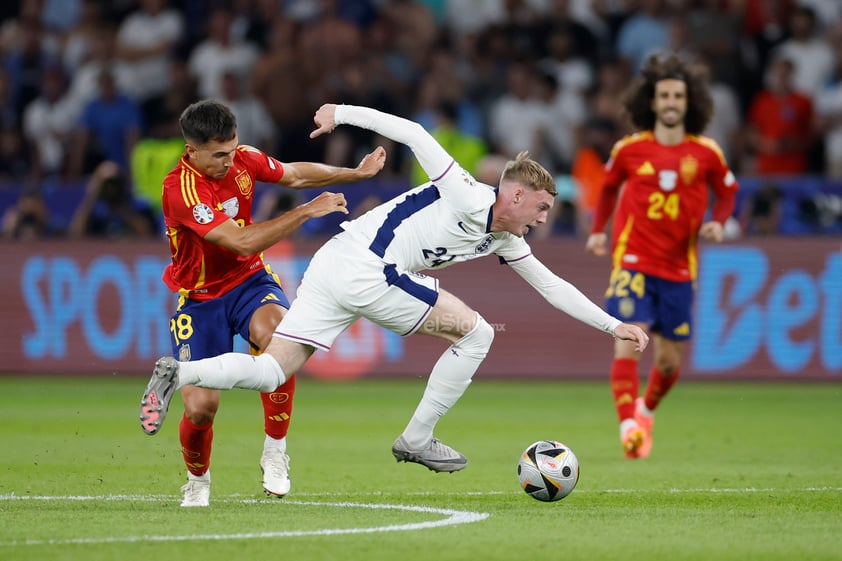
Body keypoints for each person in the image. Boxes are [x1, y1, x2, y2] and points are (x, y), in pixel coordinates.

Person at [139, 102, 650, 484]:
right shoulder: (466, 192)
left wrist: (613, 325)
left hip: (333, 264)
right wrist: (340, 112)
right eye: (539, 209)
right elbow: (412, 131)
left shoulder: (504, 236)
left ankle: (179, 372)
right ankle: (416, 439)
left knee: (273, 370)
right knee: (474, 334)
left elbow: (552, 286)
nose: (543, 220)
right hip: (366, 270)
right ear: (514, 195)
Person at [141, 99, 386, 507]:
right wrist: (307, 212)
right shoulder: (181, 190)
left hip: (250, 281)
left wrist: (355, 173)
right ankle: (198, 482)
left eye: (233, 149)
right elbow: (240, 241)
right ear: (192, 151)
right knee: (202, 408)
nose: (229, 160)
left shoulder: (243, 159)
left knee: (279, 336)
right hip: (200, 300)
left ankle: (275, 451)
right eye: (218, 155)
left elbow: (293, 173)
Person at [584, 53, 738, 460]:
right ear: (652, 102)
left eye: (678, 96)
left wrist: (719, 223)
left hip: (679, 268)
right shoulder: (630, 149)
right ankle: (629, 428)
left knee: (668, 362)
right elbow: (607, 188)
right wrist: (598, 231)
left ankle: (646, 411)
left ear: (689, 103)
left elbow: (728, 191)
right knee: (628, 341)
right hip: (632, 260)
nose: (671, 102)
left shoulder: (706, 153)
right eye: (664, 95)